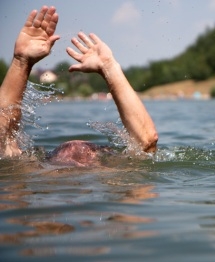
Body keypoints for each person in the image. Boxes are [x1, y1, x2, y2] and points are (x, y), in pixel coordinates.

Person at [0, 6, 158, 167]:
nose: (77, 155)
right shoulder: (115, 175)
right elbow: (146, 143)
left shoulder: (33, 171)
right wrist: (109, 68)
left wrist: (21, 62)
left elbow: (3, 139)